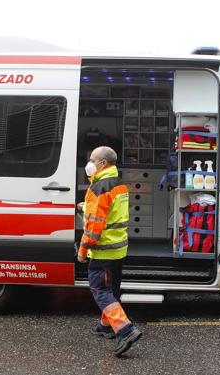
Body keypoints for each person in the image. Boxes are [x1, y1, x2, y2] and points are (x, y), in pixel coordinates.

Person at [77, 146, 142, 357]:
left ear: (102, 163)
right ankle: (106, 326)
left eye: (92, 159)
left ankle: (126, 330)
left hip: (103, 250)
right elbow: (110, 211)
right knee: (111, 288)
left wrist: (83, 249)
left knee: (100, 290)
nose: (89, 162)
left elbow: (95, 227)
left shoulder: (99, 187)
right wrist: (86, 207)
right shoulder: (119, 184)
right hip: (118, 248)